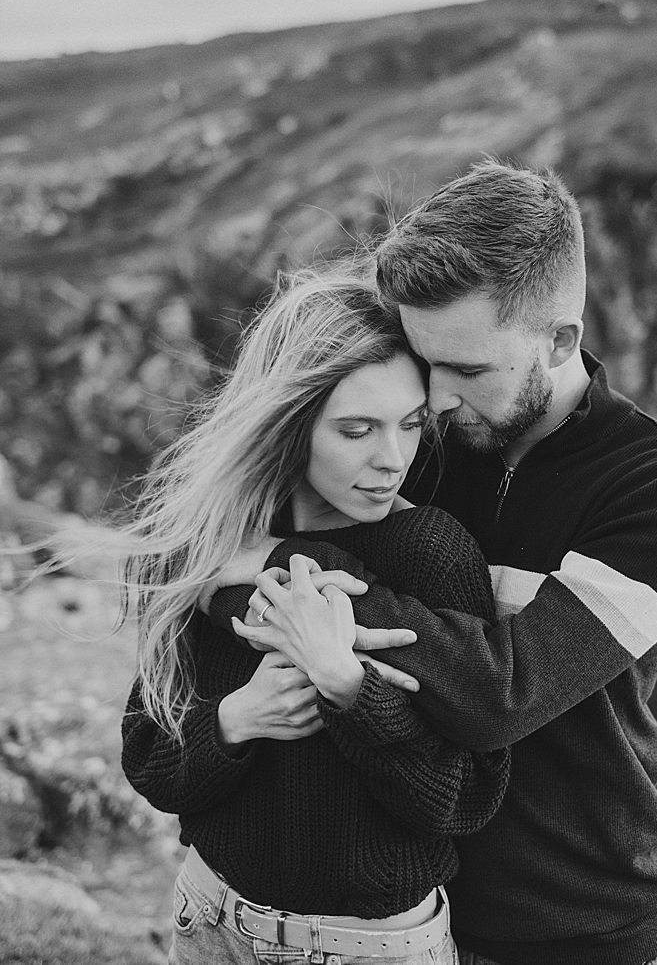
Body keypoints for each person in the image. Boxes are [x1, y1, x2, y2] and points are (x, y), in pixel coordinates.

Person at [210, 160, 657, 965]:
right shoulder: (416, 442)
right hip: (425, 924)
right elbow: (227, 561)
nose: (439, 403)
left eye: (468, 370)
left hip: (598, 927)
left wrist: (277, 564)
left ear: (561, 338)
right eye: (427, 366)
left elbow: (503, 692)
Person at [115, 270, 509, 964]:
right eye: (357, 430)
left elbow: (468, 801)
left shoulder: (430, 553)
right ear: (290, 426)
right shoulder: (215, 547)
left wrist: (351, 692)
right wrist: (237, 720)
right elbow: (151, 761)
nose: (392, 461)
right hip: (210, 922)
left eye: (412, 425)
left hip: (373, 948)